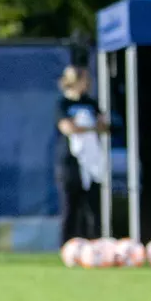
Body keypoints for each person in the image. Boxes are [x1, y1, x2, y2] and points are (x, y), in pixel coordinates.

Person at [56, 65, 106, 242]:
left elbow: (103, 125)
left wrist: (85, 128)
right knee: (71, 206)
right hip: (71, 162)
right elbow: (67, 127)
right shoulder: (63, 104)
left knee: (92, 206)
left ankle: (95, 243)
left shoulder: (91, 103)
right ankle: (67, 244)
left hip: (91, 163)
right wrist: (88, 128)